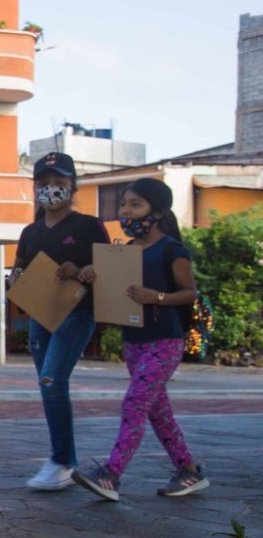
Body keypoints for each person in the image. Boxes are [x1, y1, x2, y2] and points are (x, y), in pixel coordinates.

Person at [72, 179, 208, 501]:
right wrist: (91, 273)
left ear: (157, 212)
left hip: (165, 342)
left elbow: (190, 293)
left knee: (134, 403)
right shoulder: (124, 253)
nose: (126, 211)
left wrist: (156, 297)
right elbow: (111, 289)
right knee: (159, 413)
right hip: (133, 342)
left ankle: (111, 474)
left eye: (135, 205)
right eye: (123, 204)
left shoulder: (173, 250)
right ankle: (188, 471)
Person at [10, 152, 111, 490]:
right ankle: (62, 458)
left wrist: (83, 271)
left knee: (52, 381)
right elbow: (19, 268)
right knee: (49, 385)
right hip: (41, 313)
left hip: (78, 312)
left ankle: (62, 461)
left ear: (73, 187)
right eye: (43, 183)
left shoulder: (89, 226)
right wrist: (18, 279)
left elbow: (109, 268)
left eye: (59, 182)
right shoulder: (30, 232)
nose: (50, 189)